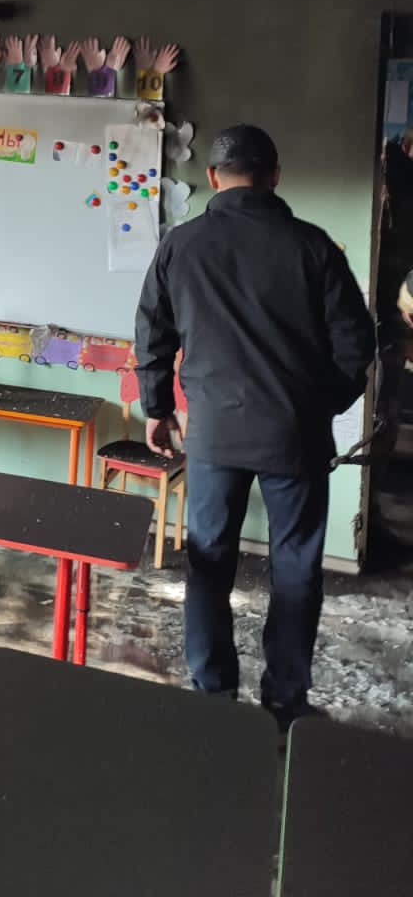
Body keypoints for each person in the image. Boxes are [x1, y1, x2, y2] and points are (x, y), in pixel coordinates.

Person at [135, 123, 375, 730]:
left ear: (213, 177)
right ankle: (285, 703)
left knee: (208, 562)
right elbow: (357, 348)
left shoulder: (180, 245)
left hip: (214, 435)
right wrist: (319, 406)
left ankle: (211, 693)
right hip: (295, 437)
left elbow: (153, 333)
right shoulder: (314, 247)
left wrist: (157, 407)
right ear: (275, 176)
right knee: (296, 566)